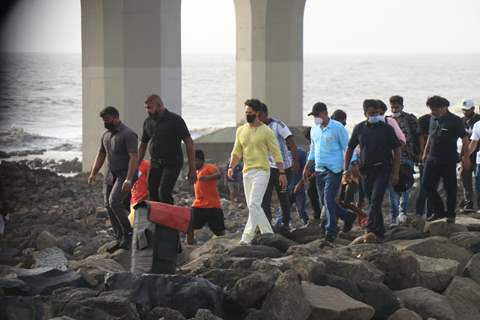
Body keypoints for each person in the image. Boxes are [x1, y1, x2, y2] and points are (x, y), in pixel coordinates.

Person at [138, 94, 196, 273]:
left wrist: (192, 168)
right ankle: (158, 227)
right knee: (153, 195)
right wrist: (136, 167)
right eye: (146, 108)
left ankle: (172, 229)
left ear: (159, 105)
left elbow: (188, 142)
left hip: (173, 163)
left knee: (164, 193)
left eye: (150, 108)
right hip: (155, 163)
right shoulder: (148, 122)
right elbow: (143, 144)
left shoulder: (175, 120)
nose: (148, 111)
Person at [228, 98, 287, 245]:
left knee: (254, 204)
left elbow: (276, 153)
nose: (247, 115)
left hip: (262, 171)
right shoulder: (241, 130)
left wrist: (282, 173)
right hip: (246, 172)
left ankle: (246, 238)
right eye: (246, 112)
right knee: (253, 206)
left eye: (250, 113)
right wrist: (231, 167)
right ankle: (268, 233)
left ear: (257, 113)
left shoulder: (266, 131)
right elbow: (236, 152)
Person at [344, 99, 401, 242]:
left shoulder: (387, 129)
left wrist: (395, 172)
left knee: (376, 200)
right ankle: (380, 231)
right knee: (371, 201)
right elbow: (350, 148)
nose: (375, 115)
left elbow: (397, 149)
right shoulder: (359, 129)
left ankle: (369, 228)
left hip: (383, 169)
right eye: (371, 113)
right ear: (365, 114)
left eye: (377, 113)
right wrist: (346, 170)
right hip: (365, 171)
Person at [303, 102, 356, 245]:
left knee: (328, 199)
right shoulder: (314, 130)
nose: (315, 118)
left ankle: (331, 231)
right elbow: (313, 149)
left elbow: (347, 147)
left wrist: (350, 166)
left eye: (317, 115)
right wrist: (307, 167)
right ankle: (348, 216)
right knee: (324, 202)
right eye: (313, 116)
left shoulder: (337, 127)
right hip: (319, 170)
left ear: (324, 113)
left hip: (334, 170)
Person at [88, 106, 138, 248]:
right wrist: (93, 173)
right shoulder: (106, 135)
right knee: (108, 205)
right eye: (104, 120)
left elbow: (134, 157)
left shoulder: (128, 134)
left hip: (125, 174)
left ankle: (129, 234)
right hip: (111, 174)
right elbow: (101, 154)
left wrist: (129, 179)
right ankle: (119, 237)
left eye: (108, 120)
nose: (105, 122)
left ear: (116, 118)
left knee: (115, 202)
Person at [422, 96, 470, 223]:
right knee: (426, 185)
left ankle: (450, 214)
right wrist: (425, 152)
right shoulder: (433, 118)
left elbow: (465, 140)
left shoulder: (455, 120)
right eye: (431, 109)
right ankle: (439, 212)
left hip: (448, 159)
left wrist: (466, 157)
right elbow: (430, 136)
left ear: (444, 107)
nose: (433, 112)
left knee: (450, 188)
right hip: (432, 158)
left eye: (435, 109)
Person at [257, 103, 299, 229]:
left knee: (283, 196)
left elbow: (291, 141)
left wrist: (295, 161)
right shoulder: (257, 128)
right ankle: (267, 225)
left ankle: (286, 222)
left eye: (260, 115)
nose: (258, 118)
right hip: (267, 168)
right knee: (265, 198)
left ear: (265, 114)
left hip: (283, 168)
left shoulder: (278, 125)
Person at [389, 95, 420, 224]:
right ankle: (394, 214)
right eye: (392, 107)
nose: (395, 109)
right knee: (393, 184)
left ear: (402, 106)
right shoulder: (388, 120)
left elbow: (418, 135)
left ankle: (403, 211)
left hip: (407, 155)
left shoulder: (410, 119)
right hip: (391, 157)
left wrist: (419, 152)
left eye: (397, 106)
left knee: (406, 183)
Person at [187, 150, 225, 244]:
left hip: (212, 205)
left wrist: (206, 178)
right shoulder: (196, 171)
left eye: (195, 161)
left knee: (219, 231)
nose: (193, 163)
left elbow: (218, 175)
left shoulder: (208, 167)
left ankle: (225, 244)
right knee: (189, 224)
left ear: (200, 160)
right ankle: (190, 245)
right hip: (198, 204)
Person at [460, 99, 480, 212]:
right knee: (465, 179)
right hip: (466, 154)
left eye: (467, 110)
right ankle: (469, 202)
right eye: (463, 110)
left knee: (478, 182)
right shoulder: (460, 121)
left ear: (473, 109)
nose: (464, 112)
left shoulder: (478, 121)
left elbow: (474, 142)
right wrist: (462, 156)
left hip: (476, 155)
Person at [290, 145, 308, 224]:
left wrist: (300, 184)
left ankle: (307, 224)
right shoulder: (281, 152)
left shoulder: (301, 153)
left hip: (298, 186)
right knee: (283, 211)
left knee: (301, 210)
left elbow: (305, 171)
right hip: (287, 187)